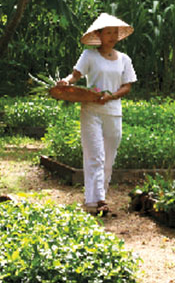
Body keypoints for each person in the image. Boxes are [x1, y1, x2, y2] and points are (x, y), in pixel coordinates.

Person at [56, 12, 137, 216]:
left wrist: (112, 96)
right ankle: (98, 200)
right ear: (99, 35)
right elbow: (75, 76)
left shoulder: (124, 59)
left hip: (113, 112)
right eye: (108, 32)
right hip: (91, 110)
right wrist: (65, 82)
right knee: (95, 155)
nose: (112, 36)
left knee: (109, 157)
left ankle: (98, 196)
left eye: (115, 33)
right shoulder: (89, 55)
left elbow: (127, 86)